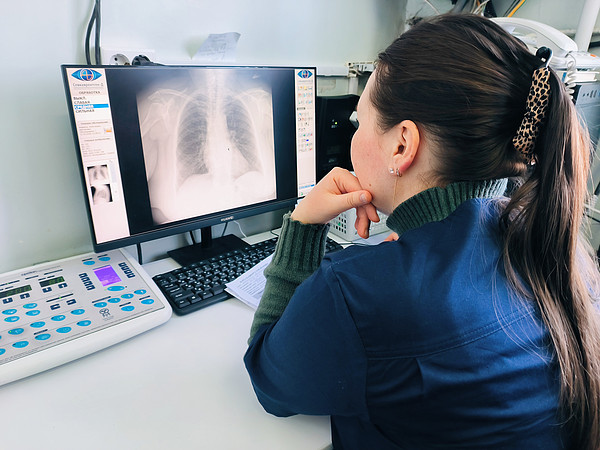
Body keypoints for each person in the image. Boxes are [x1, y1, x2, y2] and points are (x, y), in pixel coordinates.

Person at [244, 13, 600, 449]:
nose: (354, 136)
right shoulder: (559, 247)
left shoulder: (356, 292)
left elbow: (269, 379)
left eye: (359, 122)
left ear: (402, 145)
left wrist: (303, 226)